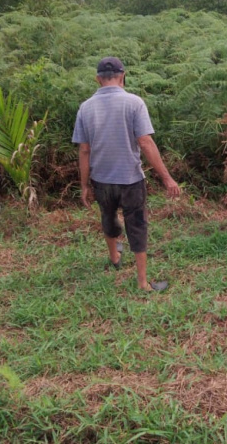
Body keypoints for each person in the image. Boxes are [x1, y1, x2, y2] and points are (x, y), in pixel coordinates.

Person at [73, 56, 181, 292]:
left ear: (97, 79)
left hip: (101, 179)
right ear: (123, 76)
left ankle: (114, 258)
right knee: (137, 225)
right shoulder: (134, 103)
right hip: (130, 179)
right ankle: (142, 283)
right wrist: (166, 178)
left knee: (108, 216)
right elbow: (145, 142)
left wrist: (84, 185)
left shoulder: (85, 107)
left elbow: (84, 150)